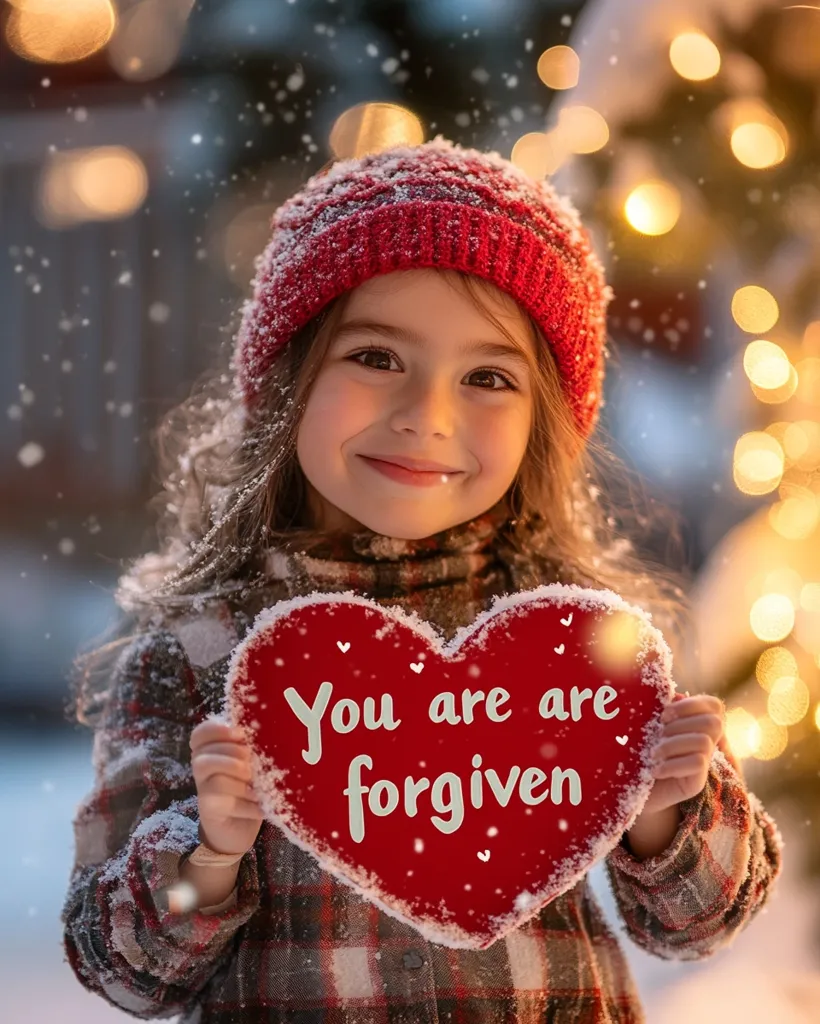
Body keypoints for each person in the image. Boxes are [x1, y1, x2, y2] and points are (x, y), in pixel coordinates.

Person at [62, 138, 783, 1024]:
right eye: (376, 357)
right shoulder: (196, 656)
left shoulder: (581, 653)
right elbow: (120, 967)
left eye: (487, 377)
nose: (426, 417)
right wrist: (206, 857)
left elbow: (699, 923)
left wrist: (664, 815)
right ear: (291, 375)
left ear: (544, 424)